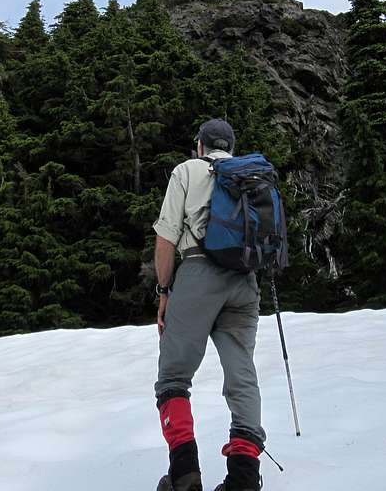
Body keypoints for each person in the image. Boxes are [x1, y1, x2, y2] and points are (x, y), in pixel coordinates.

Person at [152, 119, 265, 491]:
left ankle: (185, 474)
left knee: (173, 377)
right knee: (241, 374)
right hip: (245, 282)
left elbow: (167, 238)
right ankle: (244, 478)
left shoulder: (187, 171)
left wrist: (164, 291)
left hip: (198, 273)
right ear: (230, 146)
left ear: (199, 145)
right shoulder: (250, 177)